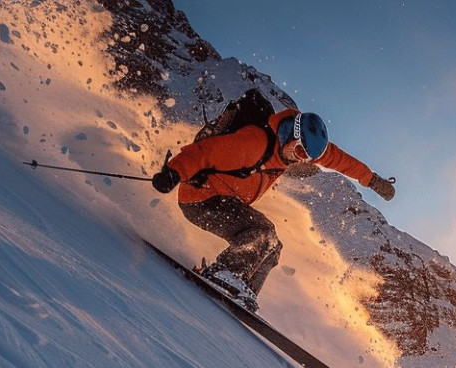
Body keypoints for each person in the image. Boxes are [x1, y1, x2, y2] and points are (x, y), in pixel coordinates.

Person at [152, 107, 395, 310]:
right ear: (290, 135)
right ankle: (224, 273)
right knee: (261, 233)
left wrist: (371, 179)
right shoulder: (253, 143)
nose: (301, 160)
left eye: (308, 158)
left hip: (227, 199)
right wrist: (174, 173)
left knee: (273, 245)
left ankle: (244, 291)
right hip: (201, 199)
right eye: (300, 152)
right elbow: (204, 153)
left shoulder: (294, 148)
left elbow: (338, 159)